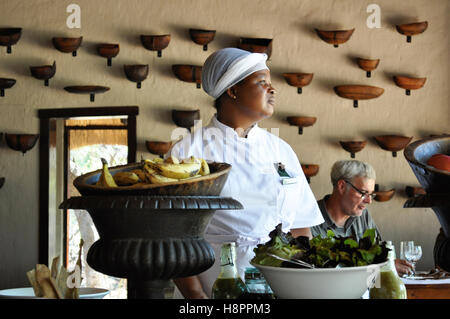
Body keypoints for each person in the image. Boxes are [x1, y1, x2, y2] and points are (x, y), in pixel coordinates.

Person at [168, 47, 324, 298]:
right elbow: (171, 237)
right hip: (215, 283)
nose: (272, 90)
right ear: (232, 90)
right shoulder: (189, 151)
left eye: (271, 83)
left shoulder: (280, 149)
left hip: (279, 282)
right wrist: (197, 297)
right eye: (262, 82)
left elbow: (301, 226)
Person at [310, 160, 414, 276]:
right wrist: (383, 268)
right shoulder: (309, 218)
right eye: (363, 193)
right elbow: (315, 272)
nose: (369, 201)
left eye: (371, 194)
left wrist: (388, 265)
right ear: (342, 186)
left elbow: (380, 256)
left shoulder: (362, 215)